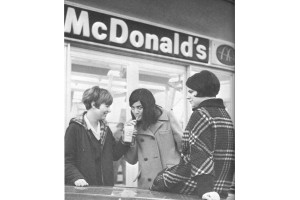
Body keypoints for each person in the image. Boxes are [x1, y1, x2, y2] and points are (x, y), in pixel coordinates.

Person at [151, 70, 235, 200]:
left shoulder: (200, 114)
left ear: (201, 91)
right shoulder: (225, 115)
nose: (187, 96)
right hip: (220, 189)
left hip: (198, 189)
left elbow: (200, 153)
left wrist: (205, 190)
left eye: (191, 92)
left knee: (159, 180)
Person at [65, 86, 131, 187]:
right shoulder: (74, 128)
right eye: (107, 106)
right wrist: (76, 177)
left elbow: (114, 155)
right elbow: (66, 161)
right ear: (93, 104)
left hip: (104, 191)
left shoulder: (105, 129)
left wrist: (125, 139)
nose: (109, 110)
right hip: (83, 192)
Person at [124, 88, 183, 189]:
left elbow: (184, 146)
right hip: (148, 179)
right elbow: (131, 160)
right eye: (132, 108)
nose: (135, 112)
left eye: (139, 107)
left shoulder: (167, 117)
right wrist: (130, 137)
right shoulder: (132, 125)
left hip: (171, 177)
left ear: (148, 106)